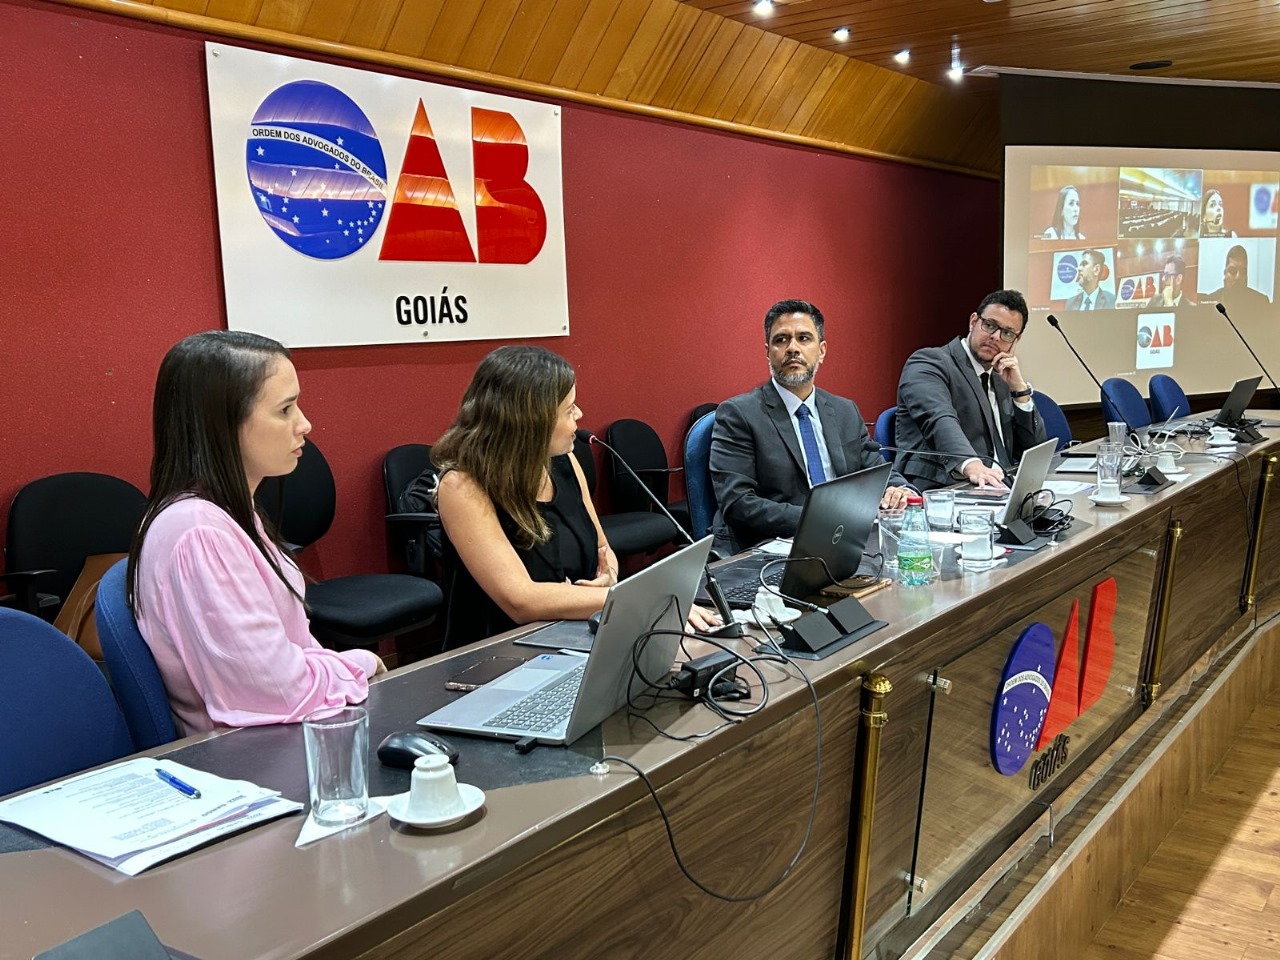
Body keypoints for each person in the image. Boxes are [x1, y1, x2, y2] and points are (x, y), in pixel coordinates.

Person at [128, 331, 384, 736]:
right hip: (255, 755)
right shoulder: (199, 533)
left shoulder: (227, 512)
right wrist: (360, 663)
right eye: (284, 410)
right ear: (223, 425)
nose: (305, 424)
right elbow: (277, 691)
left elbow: (290, 659)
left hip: (282, 733)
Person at [434, 345, 717, 648]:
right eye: (569, 410)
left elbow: (603, 547)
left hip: (573, 637)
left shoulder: (565, 461)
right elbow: (520, 600)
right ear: (530, 421)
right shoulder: (461, 488)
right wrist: (644, 599)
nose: (580, 415)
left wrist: (609, 575)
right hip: (498, 656)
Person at [709, 299, 913, 557]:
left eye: (804, 338)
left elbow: (875, 468)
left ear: (822, 350)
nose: (792, 348)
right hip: (771, 546)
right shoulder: (739, 414)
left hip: (843, 541)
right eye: (781, 340)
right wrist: (820, 519)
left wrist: (898, 489)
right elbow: (738, 503)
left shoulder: (844, 411)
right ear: (767, 352)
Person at [894, 290, 1048, 492]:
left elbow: (1034, 451)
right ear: (973, 321)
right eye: (990, 325)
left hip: (1002, 487)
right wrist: (971, 464)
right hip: (948, 487)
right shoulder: (929, 362)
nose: (995, 337)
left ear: (1015, 341)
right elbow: (939, 419)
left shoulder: (1002, 378)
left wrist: (1020, 391)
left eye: (1007, 333)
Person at [1206, 244, 1271, 313]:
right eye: (1233, 271)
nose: (1238, 277)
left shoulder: (1261, 302)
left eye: (1243, 272)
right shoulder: (1210, 301)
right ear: (1225, 273)